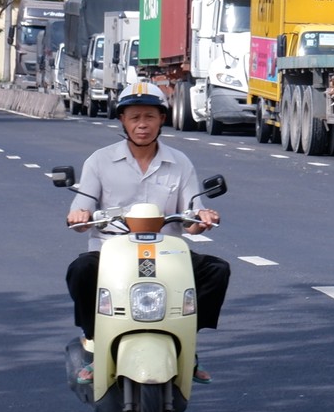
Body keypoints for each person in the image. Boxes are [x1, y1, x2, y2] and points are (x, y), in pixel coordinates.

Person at [65, 81, 229, 385]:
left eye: (150, 117)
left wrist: (203, 218)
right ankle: (94, 343)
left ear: (162, 120)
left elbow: (191, 216)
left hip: (167, 253)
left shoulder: (180, 163)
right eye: (135, 117)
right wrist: (80, 216)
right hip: (111, 251)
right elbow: (82, 212)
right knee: (81, 270)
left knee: (217, 270)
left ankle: (188, 345)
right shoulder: (99, 161)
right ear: (122, 121)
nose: (142, 125)